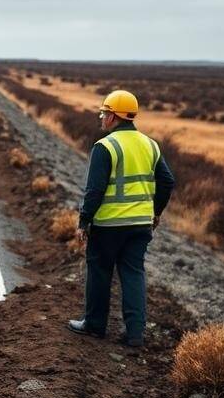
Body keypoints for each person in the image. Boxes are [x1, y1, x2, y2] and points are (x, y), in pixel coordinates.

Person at [67, 90, 175, 348]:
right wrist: (156, 212)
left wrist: (84, 221)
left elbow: (94, 190)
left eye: (104, 113)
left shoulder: (105, 146)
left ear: (114, 116)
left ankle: (94, 325)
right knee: (133, 274)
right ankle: (135, 334)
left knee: (100, 272)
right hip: (140, 225)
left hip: (108, 226)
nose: (102, 118)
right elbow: (168, 181)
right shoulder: (150, 144)